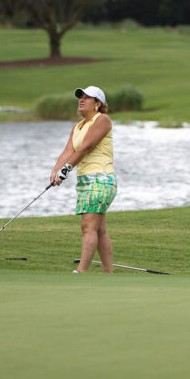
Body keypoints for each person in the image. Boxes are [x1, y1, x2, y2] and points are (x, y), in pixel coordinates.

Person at [51, 85, 117, 273]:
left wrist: (66, 169)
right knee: (99, 229)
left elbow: (86, 147)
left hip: (101, 179)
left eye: (88, 97)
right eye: (81, 97)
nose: (82, 99)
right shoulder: (78, 127)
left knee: (87, 225)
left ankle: (81, 270)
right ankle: (108, 272)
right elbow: (69, 151)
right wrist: (56, 170)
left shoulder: (102, 120)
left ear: (98, 104)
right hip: (85, 181)